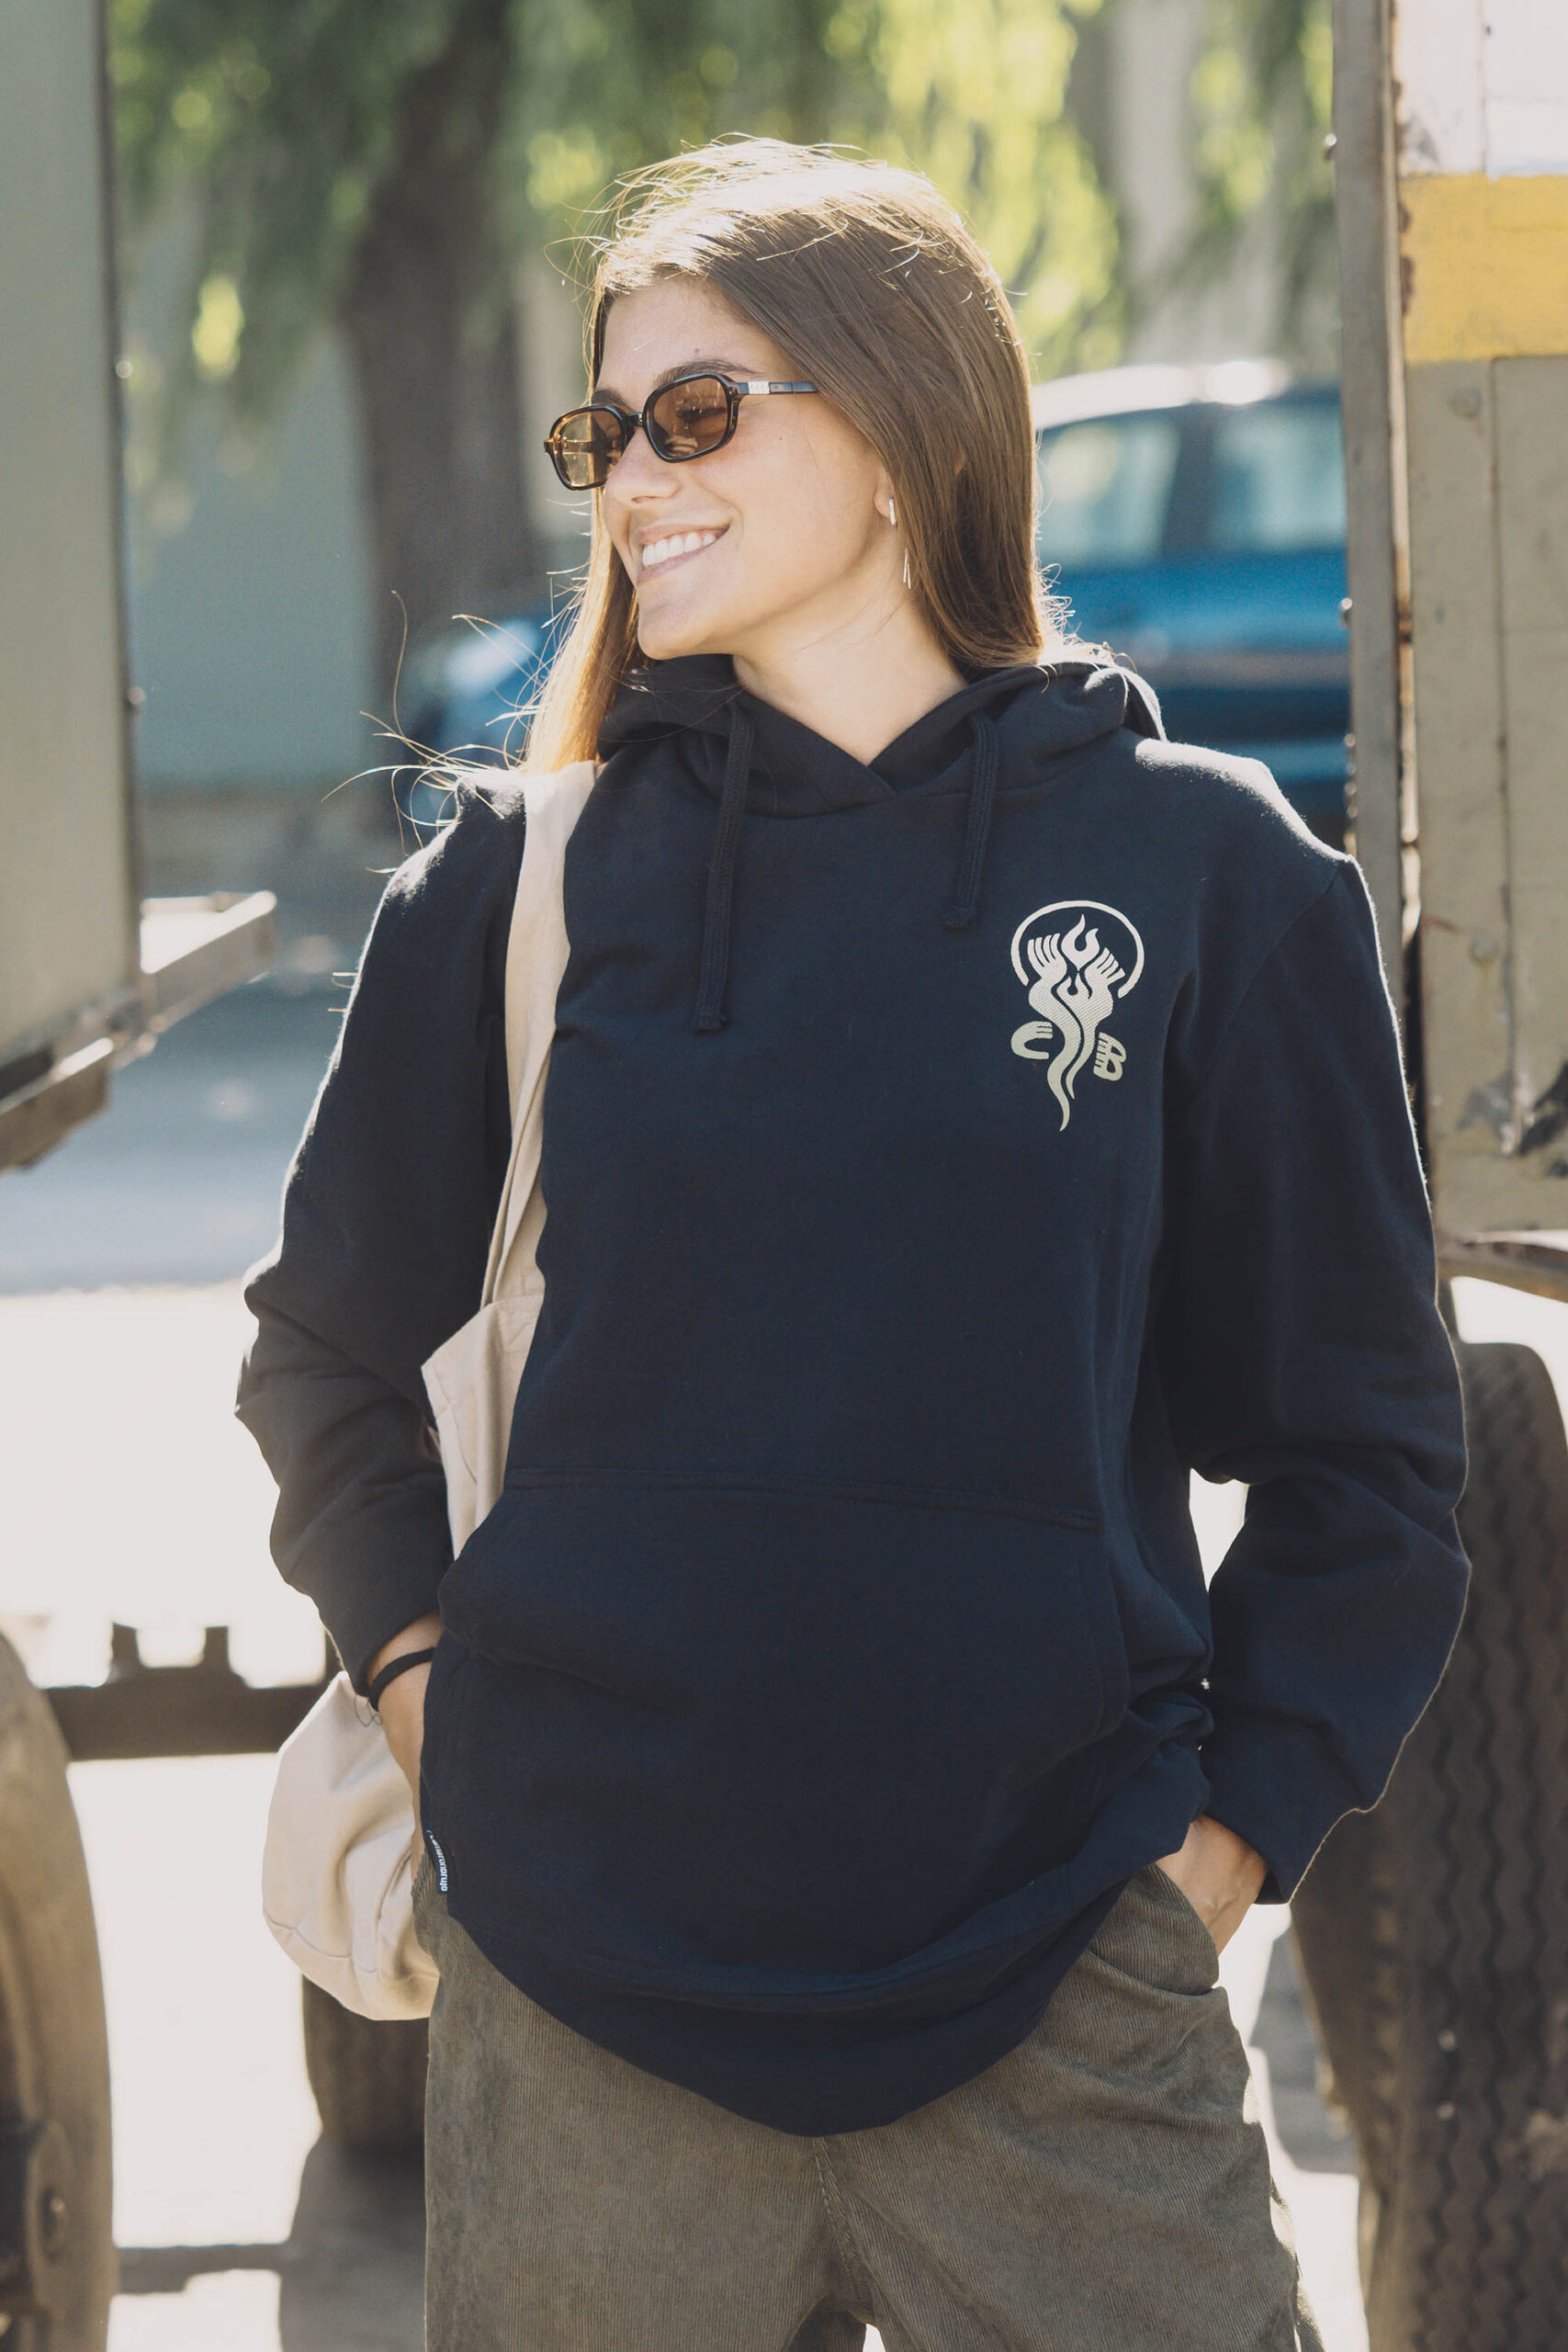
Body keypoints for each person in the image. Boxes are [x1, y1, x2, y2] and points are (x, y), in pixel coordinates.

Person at [239, 139, 1468, 2351]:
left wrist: (1215, 1853)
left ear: (904, 430)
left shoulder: (1204, 879)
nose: (635, 479)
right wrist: (438, 1722)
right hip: (585, 2007)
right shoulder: (511, 891)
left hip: (1062, 1994)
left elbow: (1364, 1448)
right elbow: (320, 1359)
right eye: (605, 433)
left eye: (696, 414)